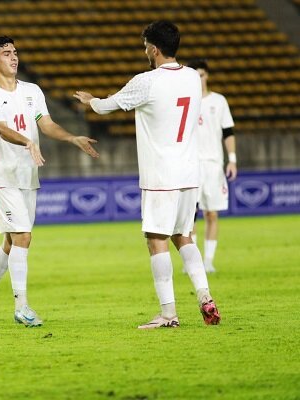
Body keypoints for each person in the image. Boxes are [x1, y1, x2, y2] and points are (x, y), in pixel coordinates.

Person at [74, 21, 221, 328]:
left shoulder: (147, 81)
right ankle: (205, 297)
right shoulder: (193, 77)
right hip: (188, 173)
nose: (144, 51)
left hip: (161, 175)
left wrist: (90, 101)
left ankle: (168, 314)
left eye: (145, 46)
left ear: (154, 49)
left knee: (156, 240)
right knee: (184, 237)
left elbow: (106, 107)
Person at [0, 36, 99, 329]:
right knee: (23, 237)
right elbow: (0, 128)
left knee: (10, 244)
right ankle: (21, 306)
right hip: (2, 178)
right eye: (6, 53)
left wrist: (72, 137)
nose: (13, 57)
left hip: (28, 177)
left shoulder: (32, 91)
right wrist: (27, 141)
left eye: (15, 52)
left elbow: (47, 124)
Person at [187, 59, 237, 273]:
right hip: (191, 164)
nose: (199, 79)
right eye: (195, 75)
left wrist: (232, 159)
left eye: (202, 75)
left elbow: (228, 132)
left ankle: (208, 260)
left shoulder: (219, 101)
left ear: (207, 75)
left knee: (212, 213)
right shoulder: (186, 102)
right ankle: (194, 261)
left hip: (214, 164)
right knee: (190, 214)